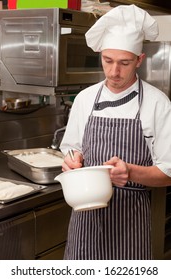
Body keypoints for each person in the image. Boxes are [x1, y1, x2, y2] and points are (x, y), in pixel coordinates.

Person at [60, 4, 171, 260]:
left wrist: (130, 172)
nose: (113, 72)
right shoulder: (86, 98)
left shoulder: (157, 103)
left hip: (130, 218)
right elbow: (70, 148)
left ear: (139, 60)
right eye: (107, 61)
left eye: (124, 63)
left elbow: (167, 173)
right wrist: (71, 161)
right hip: (84, 216)